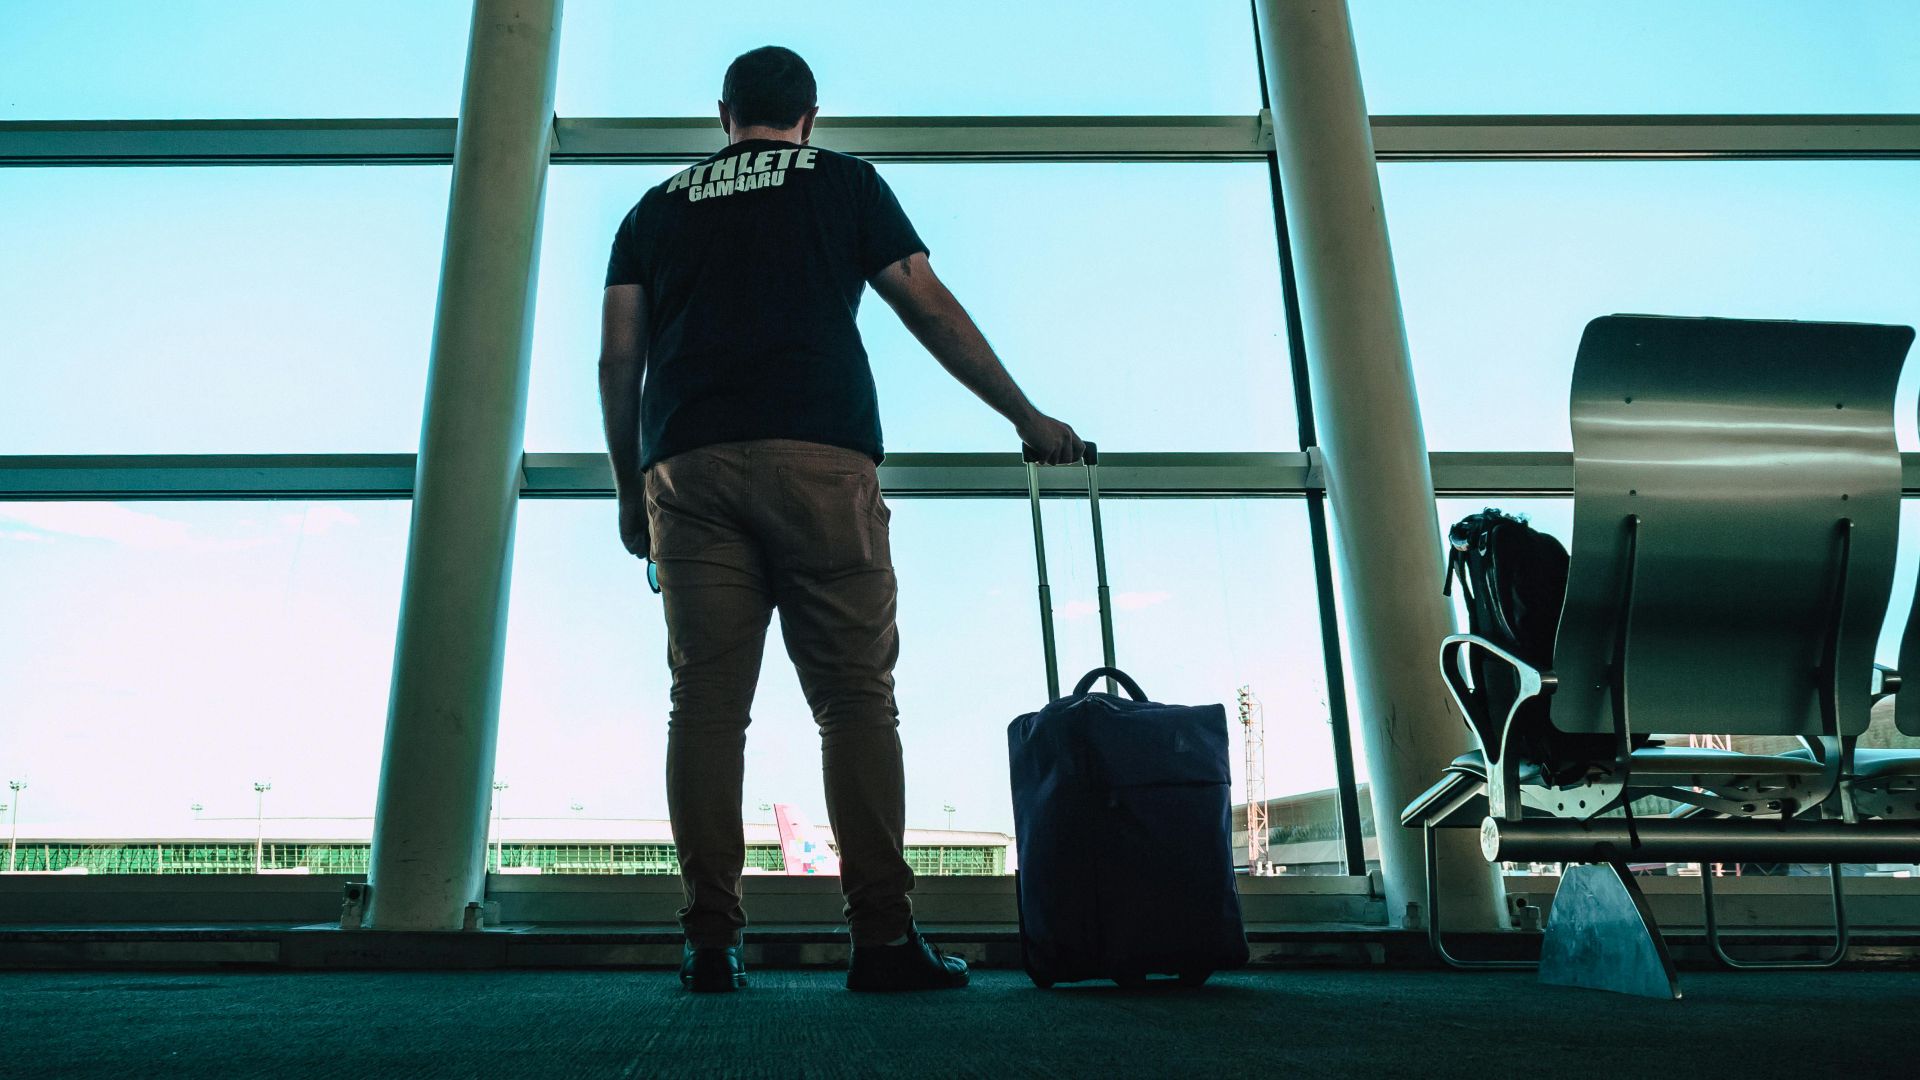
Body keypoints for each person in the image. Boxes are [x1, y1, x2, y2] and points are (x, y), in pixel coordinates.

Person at [597, 46, 1083, 993]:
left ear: (724, 115)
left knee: (705, 708)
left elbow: (620, 359)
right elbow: (927, 307)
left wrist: (629, 488)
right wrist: (1025, 416)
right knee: (855, 701)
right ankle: (883, 939)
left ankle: (709, 942)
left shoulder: (654, 208)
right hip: (821, 459)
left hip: (689, 470)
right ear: (809, 118)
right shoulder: (845, 182)